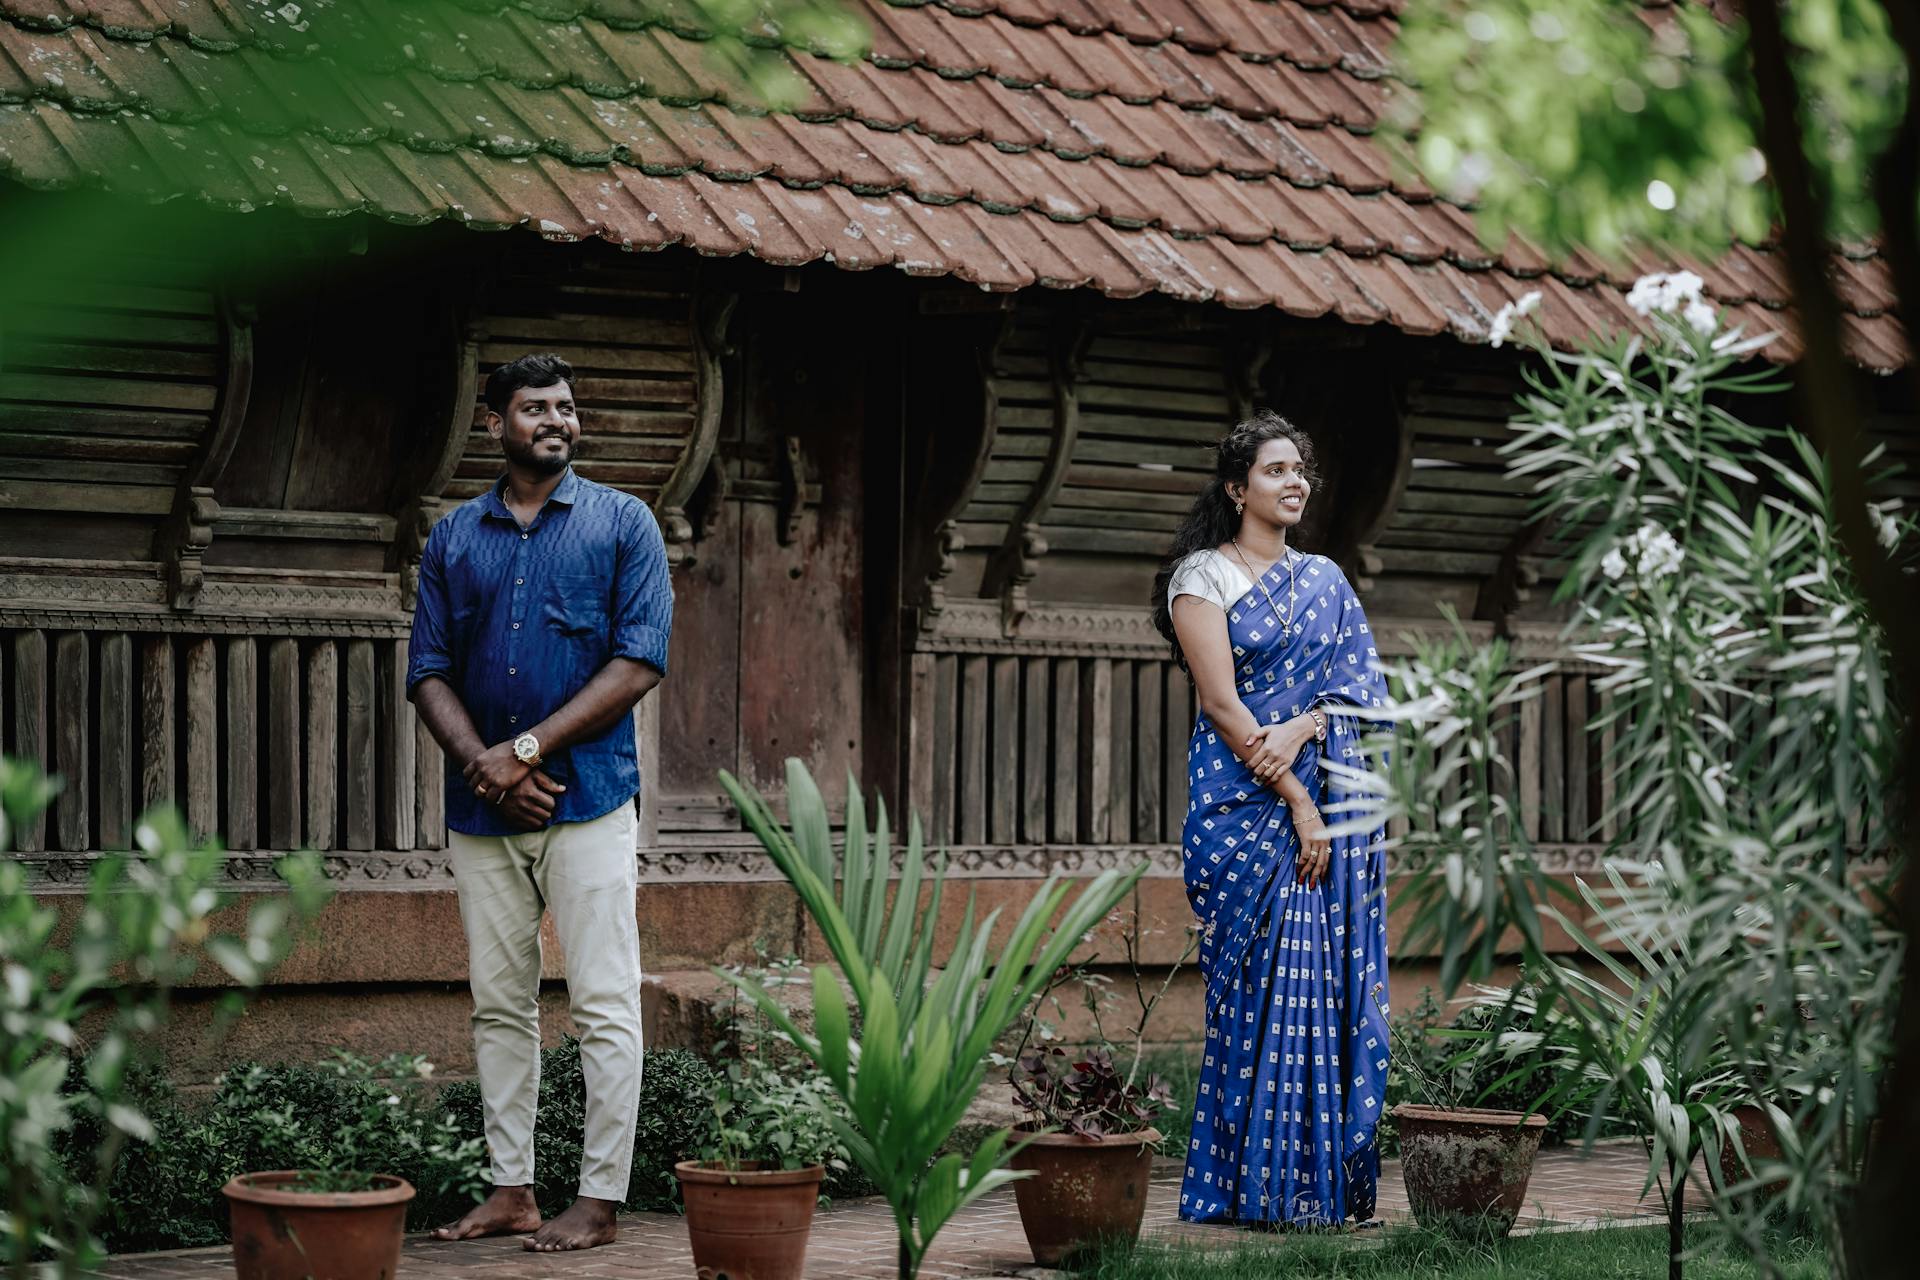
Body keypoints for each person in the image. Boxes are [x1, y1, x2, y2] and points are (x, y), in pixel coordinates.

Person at [407, 352, 672, 1252]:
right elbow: (428, 672)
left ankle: (599, 1201)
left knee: (603, 999)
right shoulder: (453, 538)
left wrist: (522, 752)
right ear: (494, 424)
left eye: (565, 407)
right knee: (499, 1003)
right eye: (534, 408)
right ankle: (510, 1190)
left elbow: (638, 662)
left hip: (589, 801)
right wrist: (486, 769)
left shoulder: (623, 522)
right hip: (484, 813)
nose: (555, 420)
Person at [1151, 410, 1390, 1229]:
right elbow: (1222, 704)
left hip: (1316, 796)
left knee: (1318, 989)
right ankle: (1243, 1186)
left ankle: (1310, 1189)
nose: (1295, 483)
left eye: (1301, 471)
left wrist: (1309, 725)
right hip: (1242, 810)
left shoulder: (1325, 580)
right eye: (1277, 470)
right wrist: (1299, 802)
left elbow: (1359, 694)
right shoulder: (1201, 579)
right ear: (1236, 487)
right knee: (1251, 999)